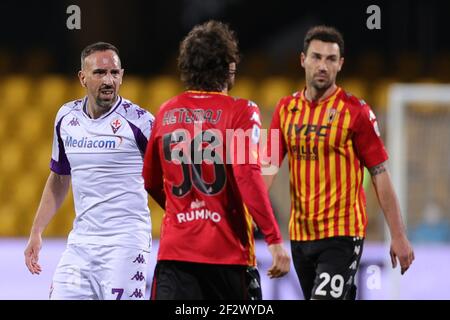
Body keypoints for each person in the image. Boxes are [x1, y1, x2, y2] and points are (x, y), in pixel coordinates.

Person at [143, 20, 290, 300]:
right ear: (229, 66)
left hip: (175, 256)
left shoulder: (166, 112)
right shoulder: (241, 111)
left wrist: (183, 210)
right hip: (228, 257)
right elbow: (247, 175)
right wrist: (273, 238)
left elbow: (149, 179)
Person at [265, 25, 415, 300]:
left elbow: (380, 174)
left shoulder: (356, 112)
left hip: (342, 235)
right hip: (300, 236)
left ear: (340, 64)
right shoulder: (285, 109)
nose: (323, 65)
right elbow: (267, 168)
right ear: (303, 60)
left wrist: (398, 234)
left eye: (330, 59)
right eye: (316, 57)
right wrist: (250, 218)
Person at [24, 42, 154, 300]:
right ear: (82, 78)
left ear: (122, 76)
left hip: (125, 244)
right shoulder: (66, 117)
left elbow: (171, 176)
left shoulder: (141, 122)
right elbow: (60, 177)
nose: (108, 80)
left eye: (114, 73)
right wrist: (36, 231)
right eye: (99, 73)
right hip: (81, 245)